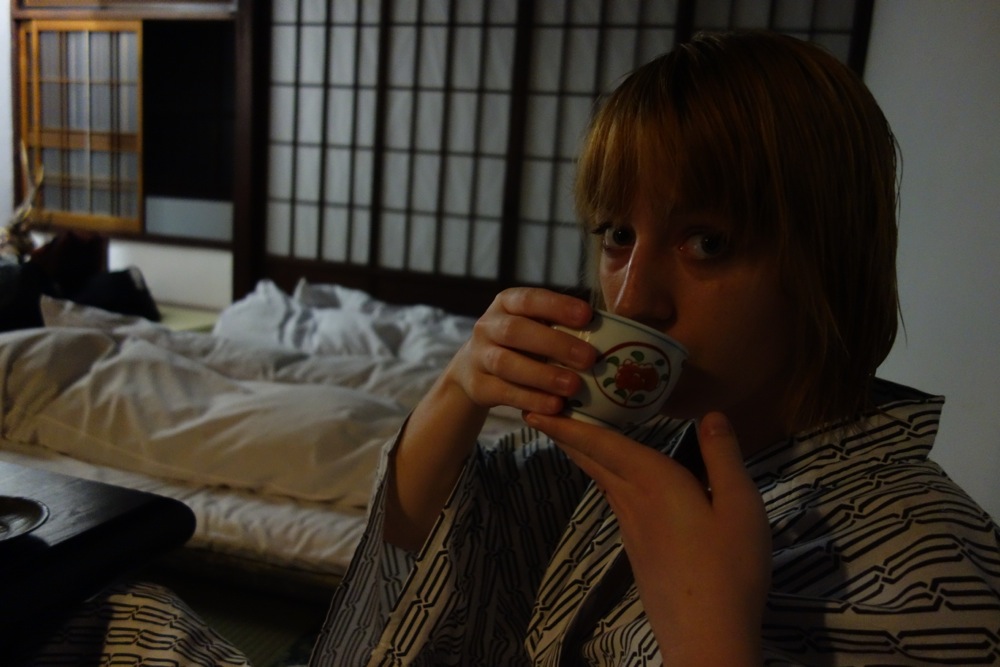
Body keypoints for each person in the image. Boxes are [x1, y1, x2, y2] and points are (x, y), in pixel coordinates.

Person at [309, 30, 1000, 666]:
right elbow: (428, 541)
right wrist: (459, 386)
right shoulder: (656, 446)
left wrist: (710, 637)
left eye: (708, 242)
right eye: (617, 235)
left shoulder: (934, 572)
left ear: (831, 260)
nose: (634, 298)